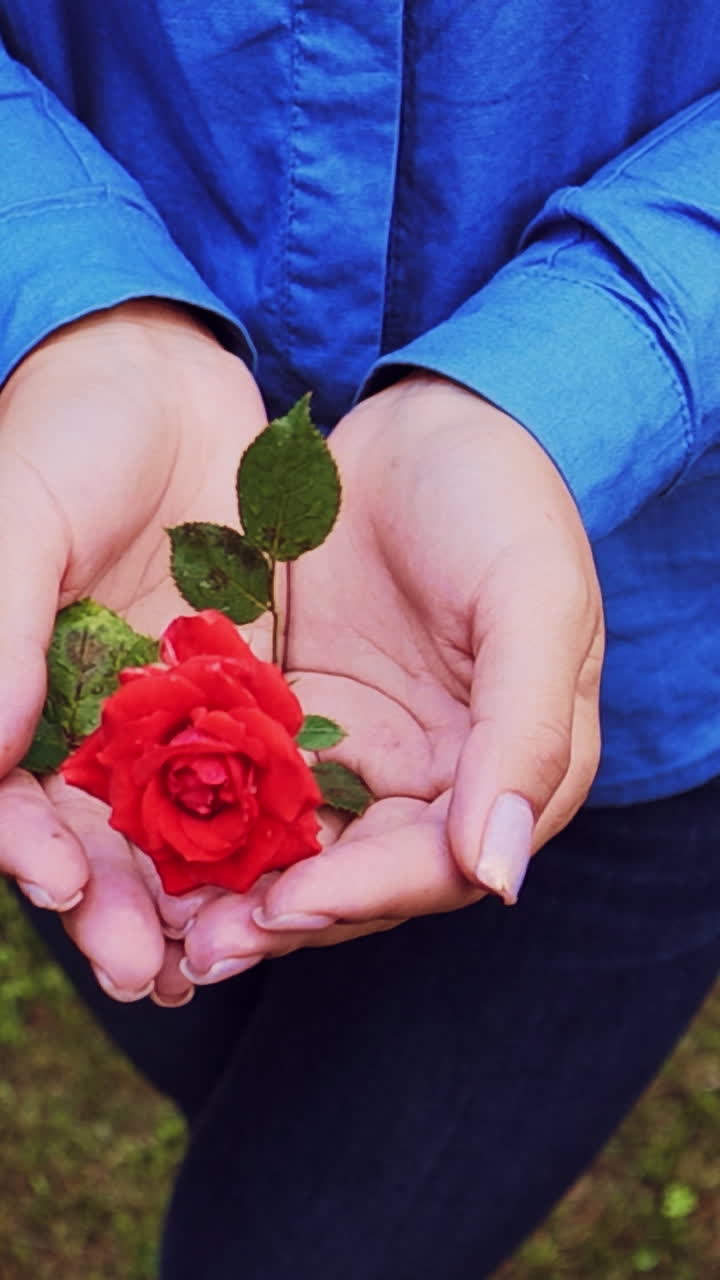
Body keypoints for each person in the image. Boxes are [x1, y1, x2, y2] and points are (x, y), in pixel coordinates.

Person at [0, 3, 718, 1276]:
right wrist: (67, 297)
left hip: (653, 670)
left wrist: (577, 369)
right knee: (228, 1060)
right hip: (89, 576)